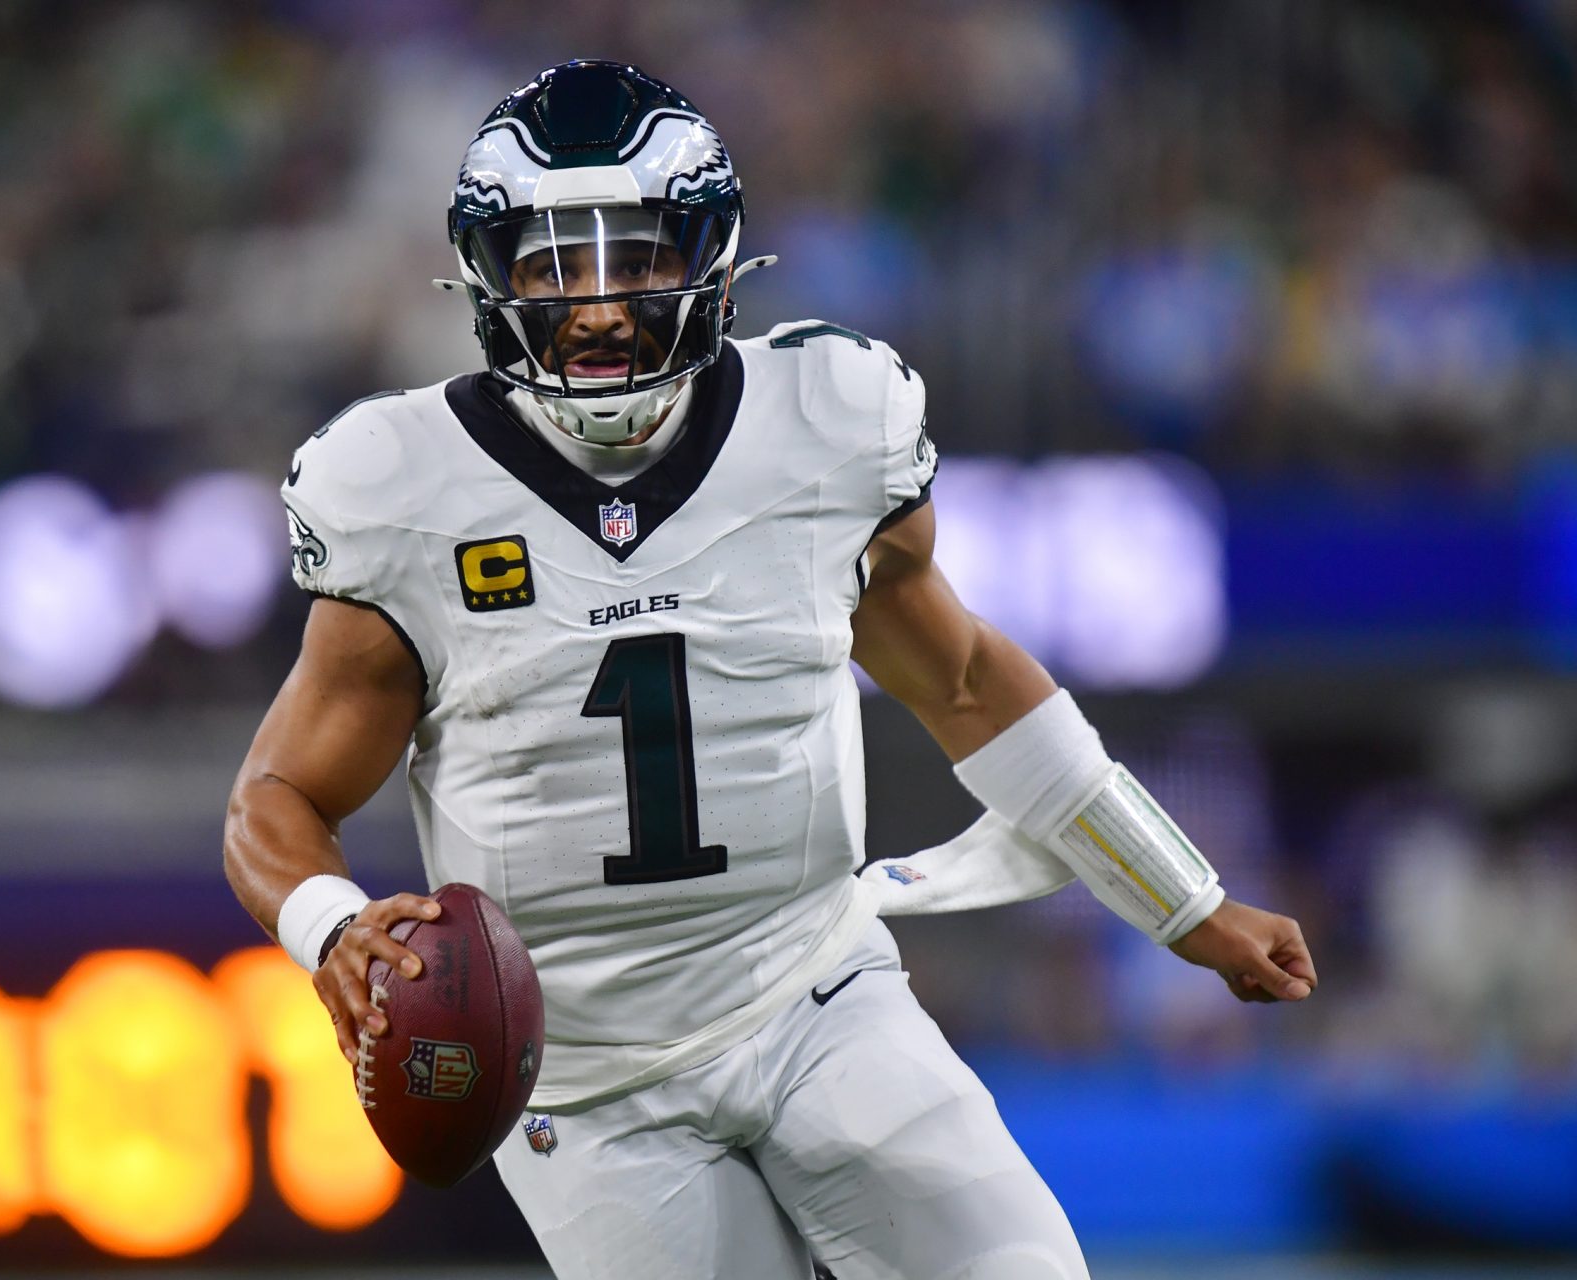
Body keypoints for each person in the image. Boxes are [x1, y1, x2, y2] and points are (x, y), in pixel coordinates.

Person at [224, 60, 1317, 1280]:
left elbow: (962, 681)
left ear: (710, 253)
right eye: (553, 266)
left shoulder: (825, 422)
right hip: (584, 1079)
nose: (593, 309)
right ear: (491, 276)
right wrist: (329, 931)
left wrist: (1180, 896)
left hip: (814, 988)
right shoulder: (404, 488)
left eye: (631, 258)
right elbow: (274, 800)